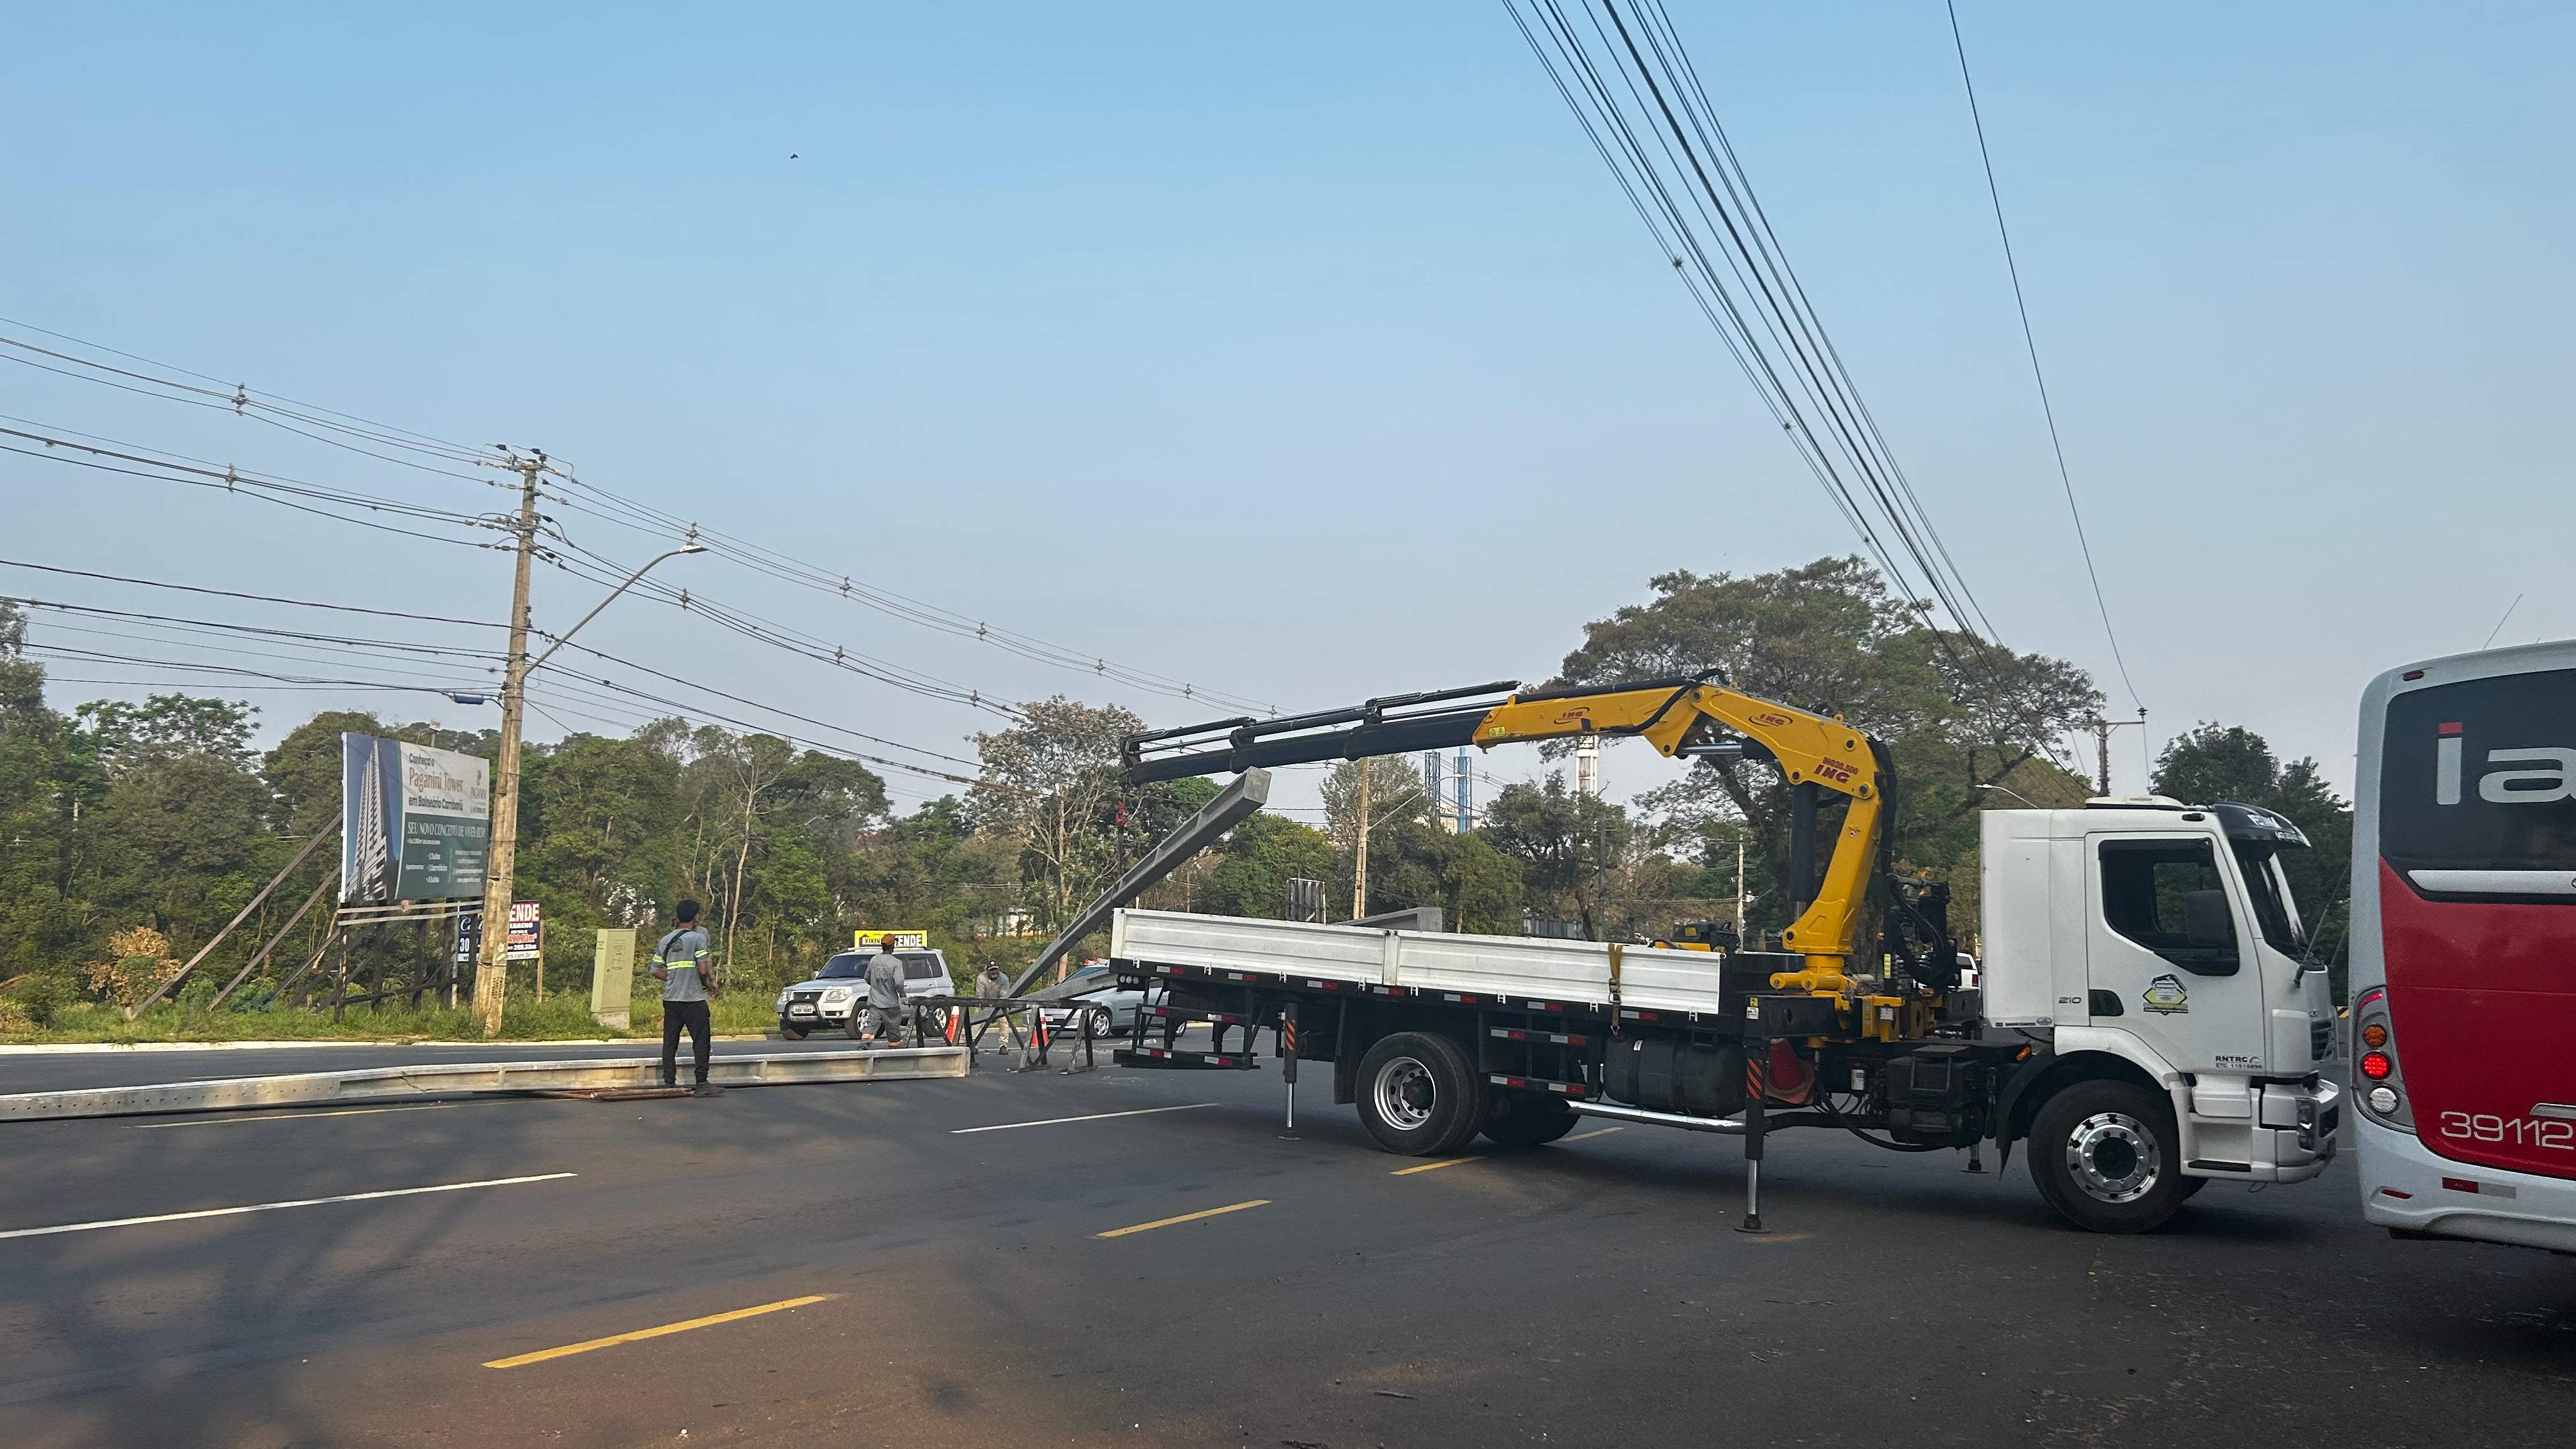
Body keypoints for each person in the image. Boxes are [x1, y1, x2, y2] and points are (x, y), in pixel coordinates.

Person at [651, 901, 718, 1092]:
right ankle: (702, 1083)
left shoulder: (665, 940)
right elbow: (703, 968)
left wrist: (673, 978)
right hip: (694, 999)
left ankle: (669, 1083)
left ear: (678, 916)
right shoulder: (698, 938)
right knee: (701, 1041)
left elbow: (655, 970)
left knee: (670, 1042)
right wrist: (709, 983)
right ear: (696, 917)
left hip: (671, 1000)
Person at [862, 936, 908, 1046]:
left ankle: (864, 1046)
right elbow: (899, 983)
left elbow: (866, 977)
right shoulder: (896, 963)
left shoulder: (874, 960)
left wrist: (875, 985)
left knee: (872, 1025)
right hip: (891, 1004)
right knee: (893, 1028)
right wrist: (903, 996)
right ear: (892, 946)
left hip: (875, 1001)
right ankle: (894, 1048)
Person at [974, 962, 1023, 1050]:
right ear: (987, 971)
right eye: (991, 970)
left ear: (999, 970)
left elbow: (1003, 997)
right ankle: (974, 1044)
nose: (994, 972)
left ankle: (1003, 1045)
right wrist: (984, 1008)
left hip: (1000, 1004)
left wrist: (997, 1012)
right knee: (977, 1018)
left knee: (1004, 1020)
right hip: (985, 1002)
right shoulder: (981, 978)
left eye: (995, 969)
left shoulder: (1004, 979)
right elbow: (979, 995)